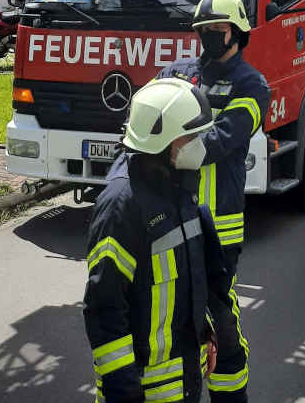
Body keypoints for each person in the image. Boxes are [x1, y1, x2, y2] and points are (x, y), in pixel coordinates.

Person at [155, 0, 270, 402]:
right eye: (202, 30)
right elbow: (146, 112)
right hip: (170, 220)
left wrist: (169, 145)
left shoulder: (252, 85)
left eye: (216, 29)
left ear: (237, 32)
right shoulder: (179, 72)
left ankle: (229, 393)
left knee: (220, 315)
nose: (208, 37)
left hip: (220, 226)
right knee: (170, 315)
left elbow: (223, 138)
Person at [84, 78, 230, 403]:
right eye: (191, 135)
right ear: (163, 141)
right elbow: (104, 309)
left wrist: (205, 333)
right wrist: (123, 392)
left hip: (186, 380)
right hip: (144, 392)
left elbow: (191, 277)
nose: (199, 143)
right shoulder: (122, 205)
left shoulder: (180, 187)